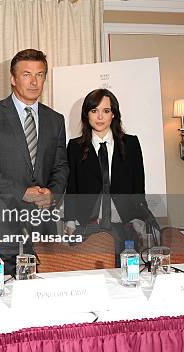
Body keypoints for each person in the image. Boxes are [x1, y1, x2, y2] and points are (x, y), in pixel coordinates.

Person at [0, 49, 69, 275]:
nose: (34, 82)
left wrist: (53, 194)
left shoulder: (55, 119)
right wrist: (22, 192)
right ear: (13, 79)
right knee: (0, 297)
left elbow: (61, 166)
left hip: (42, 225)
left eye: (40, 75)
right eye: (26, 74)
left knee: (42, 298)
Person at [65, 88, 146, 261]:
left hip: (125, 225)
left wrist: (140, 218)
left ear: (113, 114)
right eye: (94, 111)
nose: (100, 117)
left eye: (106, 111)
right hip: (87, 225)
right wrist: (70, 220)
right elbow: (71, 187)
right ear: (87, 115)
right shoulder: (74, 147)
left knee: (125, 276)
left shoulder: (131, 144)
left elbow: (138, 185)